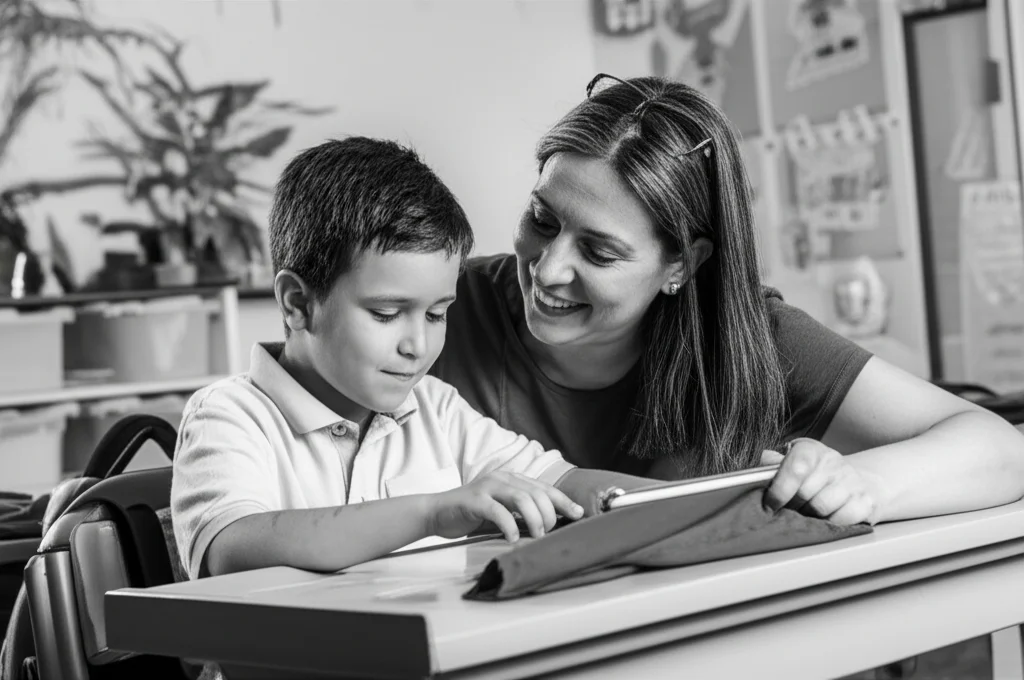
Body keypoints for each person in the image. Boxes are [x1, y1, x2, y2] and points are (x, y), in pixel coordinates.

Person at [431, 74, 1024, 527]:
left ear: (682, 265)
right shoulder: (438, 309)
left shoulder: (749, 339)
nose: (549, 267)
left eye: (600, 252)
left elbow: (999, 449)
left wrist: (861, 482)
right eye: (541, 219)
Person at [171, 136, 649, 581]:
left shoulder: (435, 409)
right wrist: (432, 511)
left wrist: (708, 506)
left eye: (438, 314)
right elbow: (232, 550)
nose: (417, 346)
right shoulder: (229, 417)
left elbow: (564, 485)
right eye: (386, 314)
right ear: (298, 303)